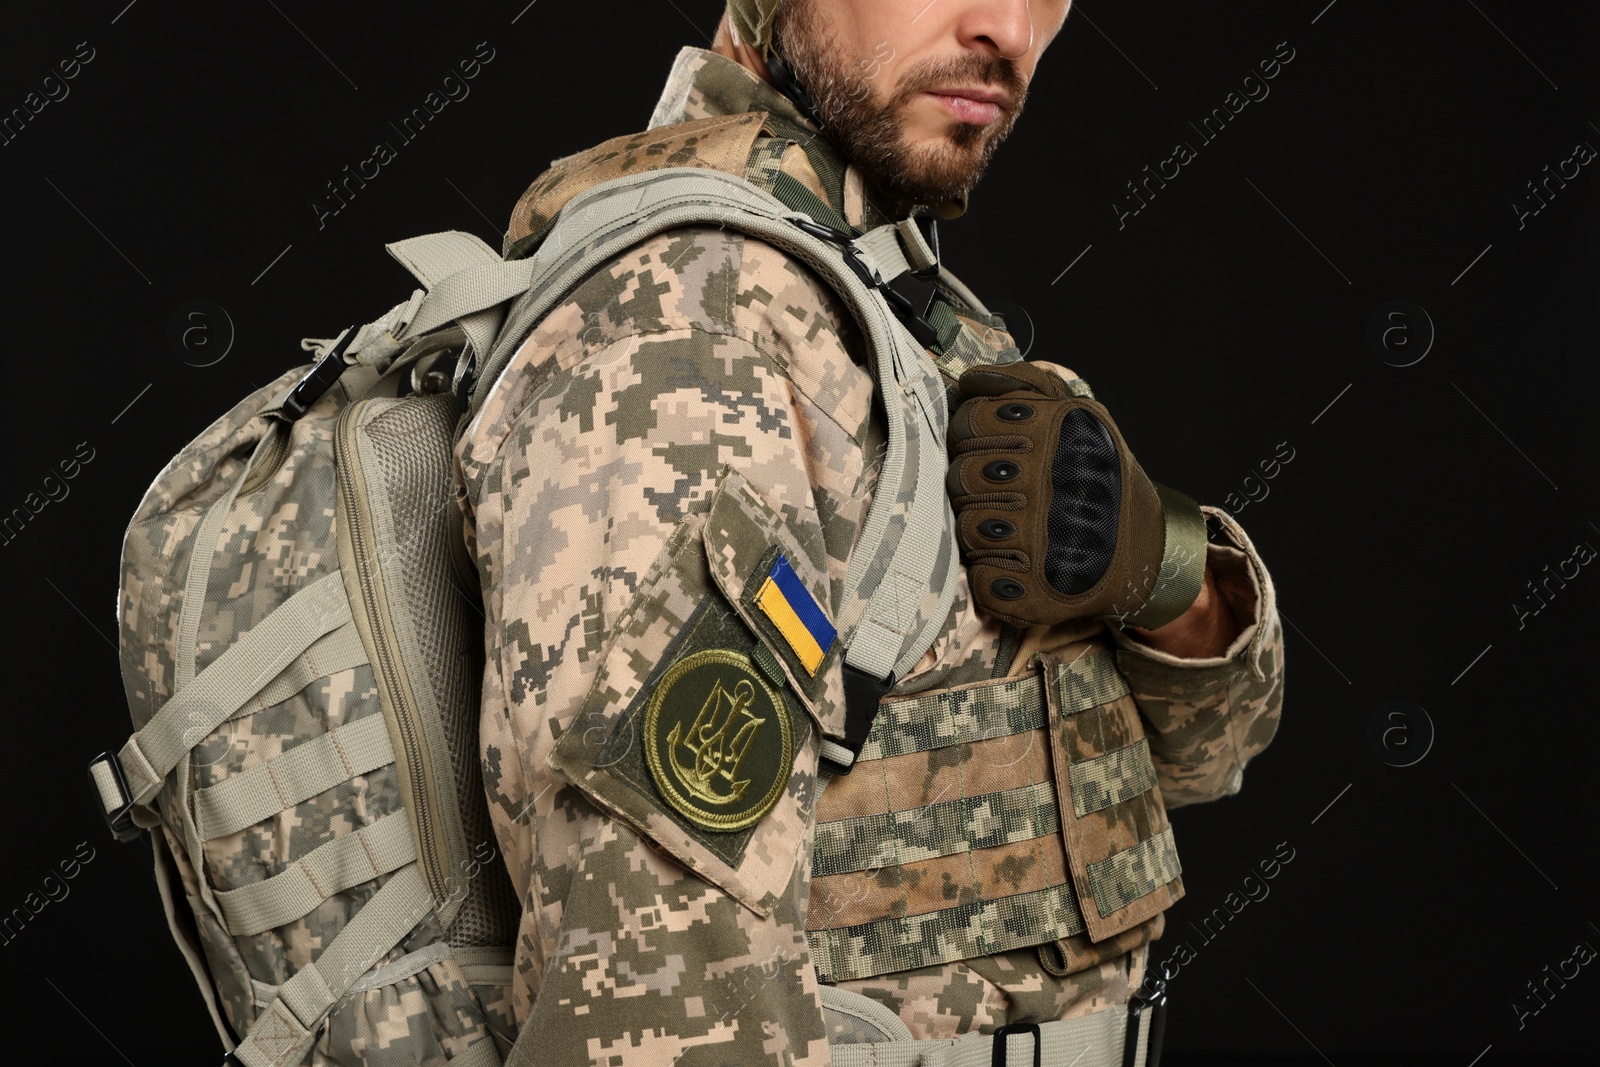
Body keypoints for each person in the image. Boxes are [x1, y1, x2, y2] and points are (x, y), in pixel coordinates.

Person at [452, 1, 1285, 1063]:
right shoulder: (688, 314)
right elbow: (654, 993)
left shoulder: (871, 286)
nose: (1011, 32)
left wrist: (1163, 577)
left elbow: (1201, 764)